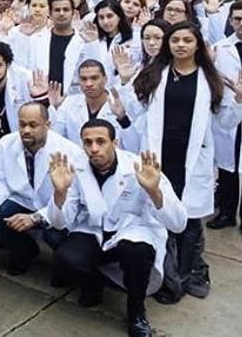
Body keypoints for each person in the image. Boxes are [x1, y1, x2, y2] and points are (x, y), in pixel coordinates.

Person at [122, 21, 242, 303]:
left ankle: (183, 276)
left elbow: (225, 122)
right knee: (160, 215)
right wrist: (126, 78)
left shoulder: (212, 79)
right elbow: (134, 112)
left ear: (197, 45)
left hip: (193, 159)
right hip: (158, 155)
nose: (180, 45)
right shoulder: (155, 73)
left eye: (187, 40)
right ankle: (162, 273)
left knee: (189, 224)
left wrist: (240, 99)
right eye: (175, 39)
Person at [48, 120, 187, 337]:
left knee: (135, 251)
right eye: (88, 143)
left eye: (101, 142)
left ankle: (136, 311)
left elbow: (179, 223)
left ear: (115, 142)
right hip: (95, 231)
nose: (94, 149)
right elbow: (59, 222)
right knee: (65, 257)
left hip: (132, 232)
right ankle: (93, 284)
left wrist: (154, 191)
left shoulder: (140, 168)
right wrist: (60, 193)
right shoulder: (77, 168)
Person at [0, 101, 84, 274]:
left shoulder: (69, 152)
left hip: (55, 208)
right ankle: (24, 252)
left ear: (47, 125)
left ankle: (65, 267)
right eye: (22, 125)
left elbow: (71, 201)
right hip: (23, 200)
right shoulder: (6, 143)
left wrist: (36, 217)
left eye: (33, 125)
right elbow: (0, 179)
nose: (26, 130)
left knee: (54, 236)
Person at [209, 0, 242, 234]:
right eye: (237, 19)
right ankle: (226, 213)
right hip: (229, 113)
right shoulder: (220, 49)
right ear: (230, 21)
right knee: (227, 168)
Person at [49, 59, 133, 148]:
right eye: (83, 79)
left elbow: (133, 146)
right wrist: (53, 108)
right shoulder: (69, 103)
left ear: (105, 79)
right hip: (77, 160)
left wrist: (122, 118)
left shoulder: (120, 104)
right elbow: (56, 138)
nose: (88, 84)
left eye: (94, 78)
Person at [12, 0, 86, 94]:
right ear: (50, 13)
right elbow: (20, 67)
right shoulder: (36, 39)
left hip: (72, 99)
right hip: (41, 97)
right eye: (57, 10)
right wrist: (23, 37)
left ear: (73, 13)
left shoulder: (83, 41)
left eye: (66, 10)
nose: (61, 13)